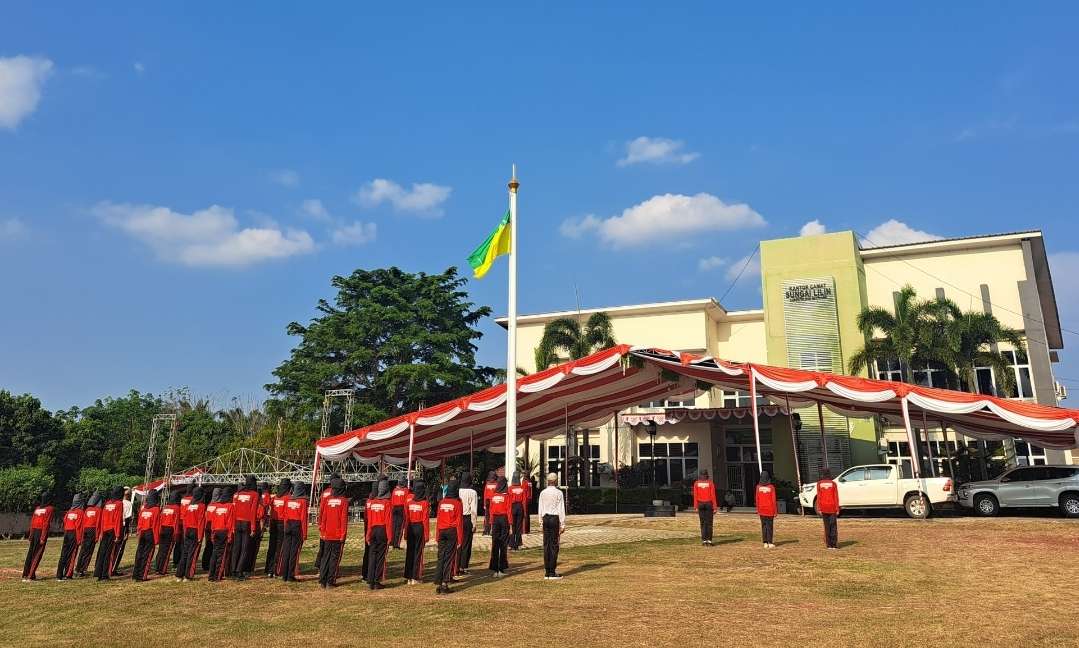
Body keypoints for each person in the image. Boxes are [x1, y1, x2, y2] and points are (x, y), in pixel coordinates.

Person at [317, 477, 349, 588]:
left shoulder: (327, 500)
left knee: (325, 557)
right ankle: (330, 581)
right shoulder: (344, 501)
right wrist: (343, 534)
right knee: (334, 559)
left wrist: (322, 530)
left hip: (327, 533)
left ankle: (322, 580)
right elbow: (343, 519)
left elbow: (324, 516)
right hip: (337, 534)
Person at [434, 478, 463, 595]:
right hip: (452, 531)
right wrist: (460, 539)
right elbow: (459, 522)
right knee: (449, 558)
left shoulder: (441, 502)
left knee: (441, 557)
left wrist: (436, 536)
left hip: (441, 531)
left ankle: (439, 582)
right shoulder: (457, 503)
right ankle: (445, 583)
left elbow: (438, 519)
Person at [364, 478, 392, 589]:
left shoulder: (373, 503)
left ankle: (370, 580)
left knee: (372, 555)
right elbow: (388, 521)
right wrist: (390, 537)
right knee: (381, 557)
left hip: (373, 529)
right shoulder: (387, 503)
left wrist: (368, 535)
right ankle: (376, 581)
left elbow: (370, 520)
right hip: (382, 530)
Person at [230, 475, 259, 580]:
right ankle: (239, 571)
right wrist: (253, 528)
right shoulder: (255, 495)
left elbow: (233, 511)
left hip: (237, 522)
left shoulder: (237, 494)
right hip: (247, 523)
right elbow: (253, 512)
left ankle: (233, 570)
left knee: (236, 547)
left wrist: (232, 526)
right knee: (245, 548)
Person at [537, 473, 566, 580]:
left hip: (545, 518)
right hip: (554, 519)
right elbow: (561, 509)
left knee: (546, 545)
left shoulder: (543, 493)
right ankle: (552, 572)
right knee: (554, 545)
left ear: (548, 481)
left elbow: (540, 508)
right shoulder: (559, 493)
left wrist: (540, 522)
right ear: (556, 481)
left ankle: (547, 571)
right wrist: (562, 524)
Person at [280, 482, 309, 583]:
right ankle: (290, 575)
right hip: (297, 526)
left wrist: (285, 528)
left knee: (286, 551)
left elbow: (285, 515)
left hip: (288, 525)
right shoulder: (303, 501)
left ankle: (284, 575)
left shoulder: (288, 500)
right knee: (294, 552)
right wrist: (304, 534)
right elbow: (303, 518)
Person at [94, 486, 124, 580]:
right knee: (109, 553)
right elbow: (118, 519)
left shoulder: (107, 503)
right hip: (112, 530)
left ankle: (98, 573)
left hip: (105, 530)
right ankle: (105, 574)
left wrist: (101, 533)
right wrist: (118, 534)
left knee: (102, 552)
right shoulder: (119, 504)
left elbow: (103, 519)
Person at [22, 491, 53, 582]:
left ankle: (26, 573)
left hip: (34, 531)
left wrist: (31, 535)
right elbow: (46, 524)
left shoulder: (37, 508)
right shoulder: (50, 509)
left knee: (30, 553)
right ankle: (31, 576)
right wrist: (43, 537)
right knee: (37, 554)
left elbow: (32, 522)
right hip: (40, 532)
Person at [177, 486, 207, 581]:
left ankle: (179, 574)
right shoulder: (201, 506)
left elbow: (185, 519)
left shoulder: (190, 505)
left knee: (185, 553)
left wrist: (185, 532)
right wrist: (200, 536)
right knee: (192, 554)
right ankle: (188, 575)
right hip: (195, 530)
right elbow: (201, 521)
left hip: (188, 530)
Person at [403, 481, 429, 585]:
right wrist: (426, 535)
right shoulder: (425, 503)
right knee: (418, 553)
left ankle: (408, 576)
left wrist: (405, 532)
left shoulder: (410, 502)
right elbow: (425, 520)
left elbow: (406, 519)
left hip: (410, 527)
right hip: (419, 527)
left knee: (410, 552)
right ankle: (415, 577)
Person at [132, 490, 161, 581]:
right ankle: (142, 576)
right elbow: (156, 525)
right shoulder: (156, 509)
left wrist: (138, 532)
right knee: (147, 555)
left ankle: (135, 574)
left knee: (139, 554)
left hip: (143, 533)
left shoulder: (143, 508)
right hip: (150, 533)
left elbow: (139, 523)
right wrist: (156, 539)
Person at [56, 492, 86, 580]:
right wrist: (79, 539)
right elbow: (79, 527)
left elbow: (65, 521)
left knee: (64, 553)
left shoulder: (69, 512)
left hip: (67, 533)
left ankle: (59, 574)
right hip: (74, 534)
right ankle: (68, 574)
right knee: (72, 554)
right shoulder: (80, 512)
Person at [207, 487, 234, 581]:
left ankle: (210, 575)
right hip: (224, 532)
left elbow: (213, 521)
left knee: (214, 553)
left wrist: (212, 533)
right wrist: (230, 535)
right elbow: (230, 522)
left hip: (215, 531)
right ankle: (217, 576)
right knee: (221, 555)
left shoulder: (216, 505)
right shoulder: (230, 506)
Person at [265, 478, 291, 577]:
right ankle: (276, 570)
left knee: (271, 546)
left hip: (273, 523)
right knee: (280, 548)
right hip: (281, 524)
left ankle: (268, 569)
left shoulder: (275, 497)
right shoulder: (288, 498)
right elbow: (286, 514)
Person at [487, 477, 511, 577]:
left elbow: (491, 510)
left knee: (495, 543)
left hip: (495, 520)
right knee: (503, 544)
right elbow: (509, 510)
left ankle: (495, 569)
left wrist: (491, 523)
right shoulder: (507, 496)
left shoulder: (493, 496)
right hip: (504, 519)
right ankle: (501, 568)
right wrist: (511, 524)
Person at [75, 490, 102, 577]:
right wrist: (97, 536)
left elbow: (83, 522)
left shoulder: (87, 509)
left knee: (83, 549)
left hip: (85, 530)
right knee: (89, 550)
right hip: (92, 531)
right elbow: (98, 523)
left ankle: (78, 568)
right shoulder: (98, 510)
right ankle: (83, 569)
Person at [155, 490, 182, 575]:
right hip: (170, 530)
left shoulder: (165, 507)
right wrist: (176, 534)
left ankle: (158, 567)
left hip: (162, 529)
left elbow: (161, 519)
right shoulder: (177, 508)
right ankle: (162, 569)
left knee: (161, 550)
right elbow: (176, 522)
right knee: (167, 551)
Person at [456, 473, 477, 574]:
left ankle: (456, 566)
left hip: (457, 519)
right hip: (467, 519)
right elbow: (474, 509)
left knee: (458, 543)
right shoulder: (472, 492)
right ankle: (463, 567)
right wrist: (474, 523)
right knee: (466, 544)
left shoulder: (457, 490)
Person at [816, 469, 841, 550]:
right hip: (832, 507)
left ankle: (829, 544)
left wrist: (819, 507)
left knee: (826, 526)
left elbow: (819, 497)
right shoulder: (833, 484)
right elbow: (836, 497)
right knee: (833, 526)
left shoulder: (819, 484)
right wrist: (837, 508)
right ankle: (834, 544)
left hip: (823, 507)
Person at [111, 487, 134, 575]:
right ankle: (113, 569)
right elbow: (128, 518)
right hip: (122, 527)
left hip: (112, 527)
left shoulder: (114, 502)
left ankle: (108, 567)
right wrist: (127, 532)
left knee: (112, 548)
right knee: (119, 549)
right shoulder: (128, 504)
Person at [692, 470, 718, 546]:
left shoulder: (696, 483)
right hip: (709, 503)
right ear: (707, 475)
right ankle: (709, 540)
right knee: (709, 523)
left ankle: (704, 540)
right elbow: (713, 495)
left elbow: (695, 495)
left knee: (702, 523)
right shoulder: (710, 483)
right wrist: (715, 507)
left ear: (700, 475)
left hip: (700, 503)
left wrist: (695, 506)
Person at [755, 471, 778, 549]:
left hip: (762, 510)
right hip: (770, 510)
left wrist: (758, 509)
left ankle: (765, 542)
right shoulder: (771, 487)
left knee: (763, 526)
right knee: (770, 526)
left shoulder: (758, 487)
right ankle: (770, 542)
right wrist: (775, 511)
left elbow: (757, 499)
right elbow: (773, 500)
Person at [173, 485, 193, 569]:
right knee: (185, 543)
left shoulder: (182, 499)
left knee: (178, 542)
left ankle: (176, 560)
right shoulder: (192, 499)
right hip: (186, 522)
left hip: (180, 521)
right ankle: (182, 561)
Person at [201, 487, 220, 572]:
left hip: (207, 528)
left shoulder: (209, 505)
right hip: (214, 528)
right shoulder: (218, 506)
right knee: (214, 547)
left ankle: (205, 564)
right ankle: (211, 564)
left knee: (208, 546)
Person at [389, 480, 410, 549]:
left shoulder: (394, 490)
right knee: (400, 527)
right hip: (402, 508)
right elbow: (406, 501)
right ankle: (396, 544)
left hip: (394, 508)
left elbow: (392, 501)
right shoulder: (406, 490)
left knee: (393, 526)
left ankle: (391, 541)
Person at [509, 472, 527, 550]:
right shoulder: (522, 488)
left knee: (513, 526)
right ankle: (518, 543)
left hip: (512, 507)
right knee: (519, 527)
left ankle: (512, 544)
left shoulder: (510, 488)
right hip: (520, 507)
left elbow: (508, 501)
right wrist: (525, 511)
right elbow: (524, 501)